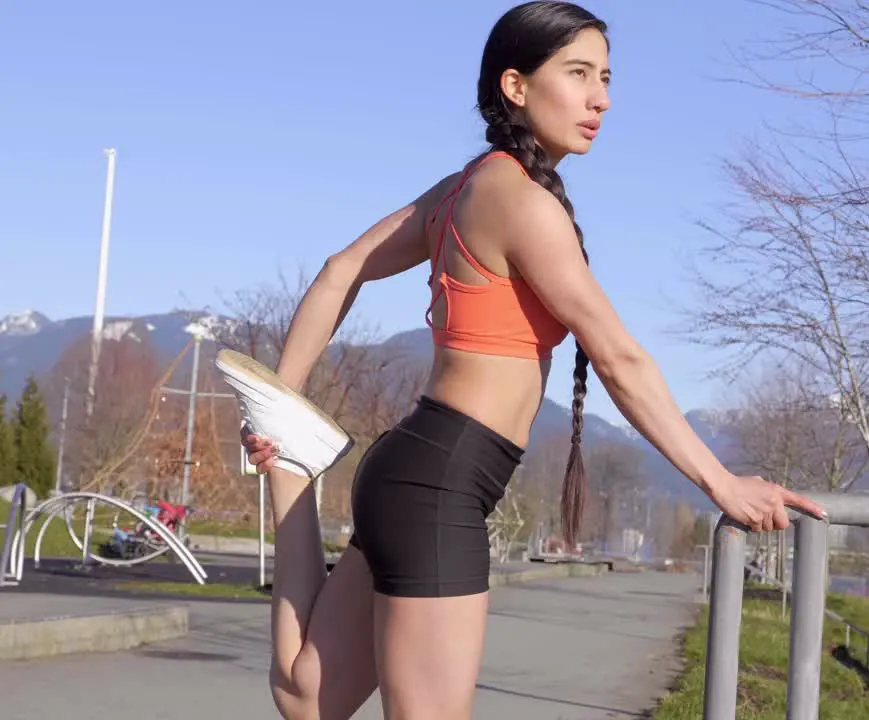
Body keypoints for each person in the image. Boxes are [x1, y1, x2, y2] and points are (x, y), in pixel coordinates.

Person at [214, 2, 828, 718]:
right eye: (577, 74)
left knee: (307, 693)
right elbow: (619, 358)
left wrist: (284, 404)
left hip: (411, 471)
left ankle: (291, 467)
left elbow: (339, 269)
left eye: (605, 77)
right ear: (515, 85)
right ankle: (290, 453)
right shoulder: (520, 202)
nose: (600, 97)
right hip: (440, 487)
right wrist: (719, 481)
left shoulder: (462, 190)